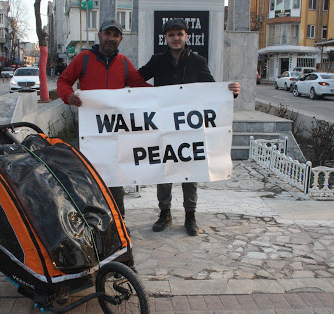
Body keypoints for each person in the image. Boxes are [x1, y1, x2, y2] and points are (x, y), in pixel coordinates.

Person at [138, 18, 241, 237]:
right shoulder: (157, 61)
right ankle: (164, 213)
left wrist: (230, 91)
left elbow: (211, 88)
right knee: (163, 170)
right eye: (171, 35)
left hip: (189, 128)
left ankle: (190, 215)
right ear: (165, 38)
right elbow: (136, 80)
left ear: (186, 36)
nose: (176, 38)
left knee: (189, 171)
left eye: (180, 34)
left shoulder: (197, 61)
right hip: (164, 126)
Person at [57, 18, 150, 220]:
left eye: (116, 35)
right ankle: (92, 218)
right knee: (89, 173)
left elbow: (140, 86)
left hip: (115, 130)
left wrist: (172, 96)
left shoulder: (124, 63)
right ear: (99, 35)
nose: (111, 38)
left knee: (115, 174)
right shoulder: (84, 58)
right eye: (108, 34)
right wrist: (68, 96)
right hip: (90, 131)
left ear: (120, 39)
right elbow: (63, 81)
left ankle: (118, 219)